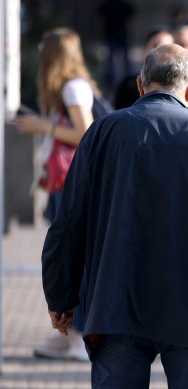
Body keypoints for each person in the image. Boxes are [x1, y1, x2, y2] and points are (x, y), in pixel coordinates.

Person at [41, 44, 188, 387]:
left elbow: (69, 219)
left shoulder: (102, 133)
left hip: (114, 300)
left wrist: (61, 294)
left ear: (140, 85)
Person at [16, 27, 100, 362]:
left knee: (71, 260)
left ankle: (80, 335)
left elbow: (85, 133)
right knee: (68, 258)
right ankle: (71, 334)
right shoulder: (71, 87)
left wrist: (42, 126)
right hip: (62, 183)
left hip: (71, 186)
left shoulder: (72, 88)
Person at [113, 25, 174, 110]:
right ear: (145, 49)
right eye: (155, 46)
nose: (160, 53)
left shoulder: (181, 86)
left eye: (167, 48)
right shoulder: (128, 86)